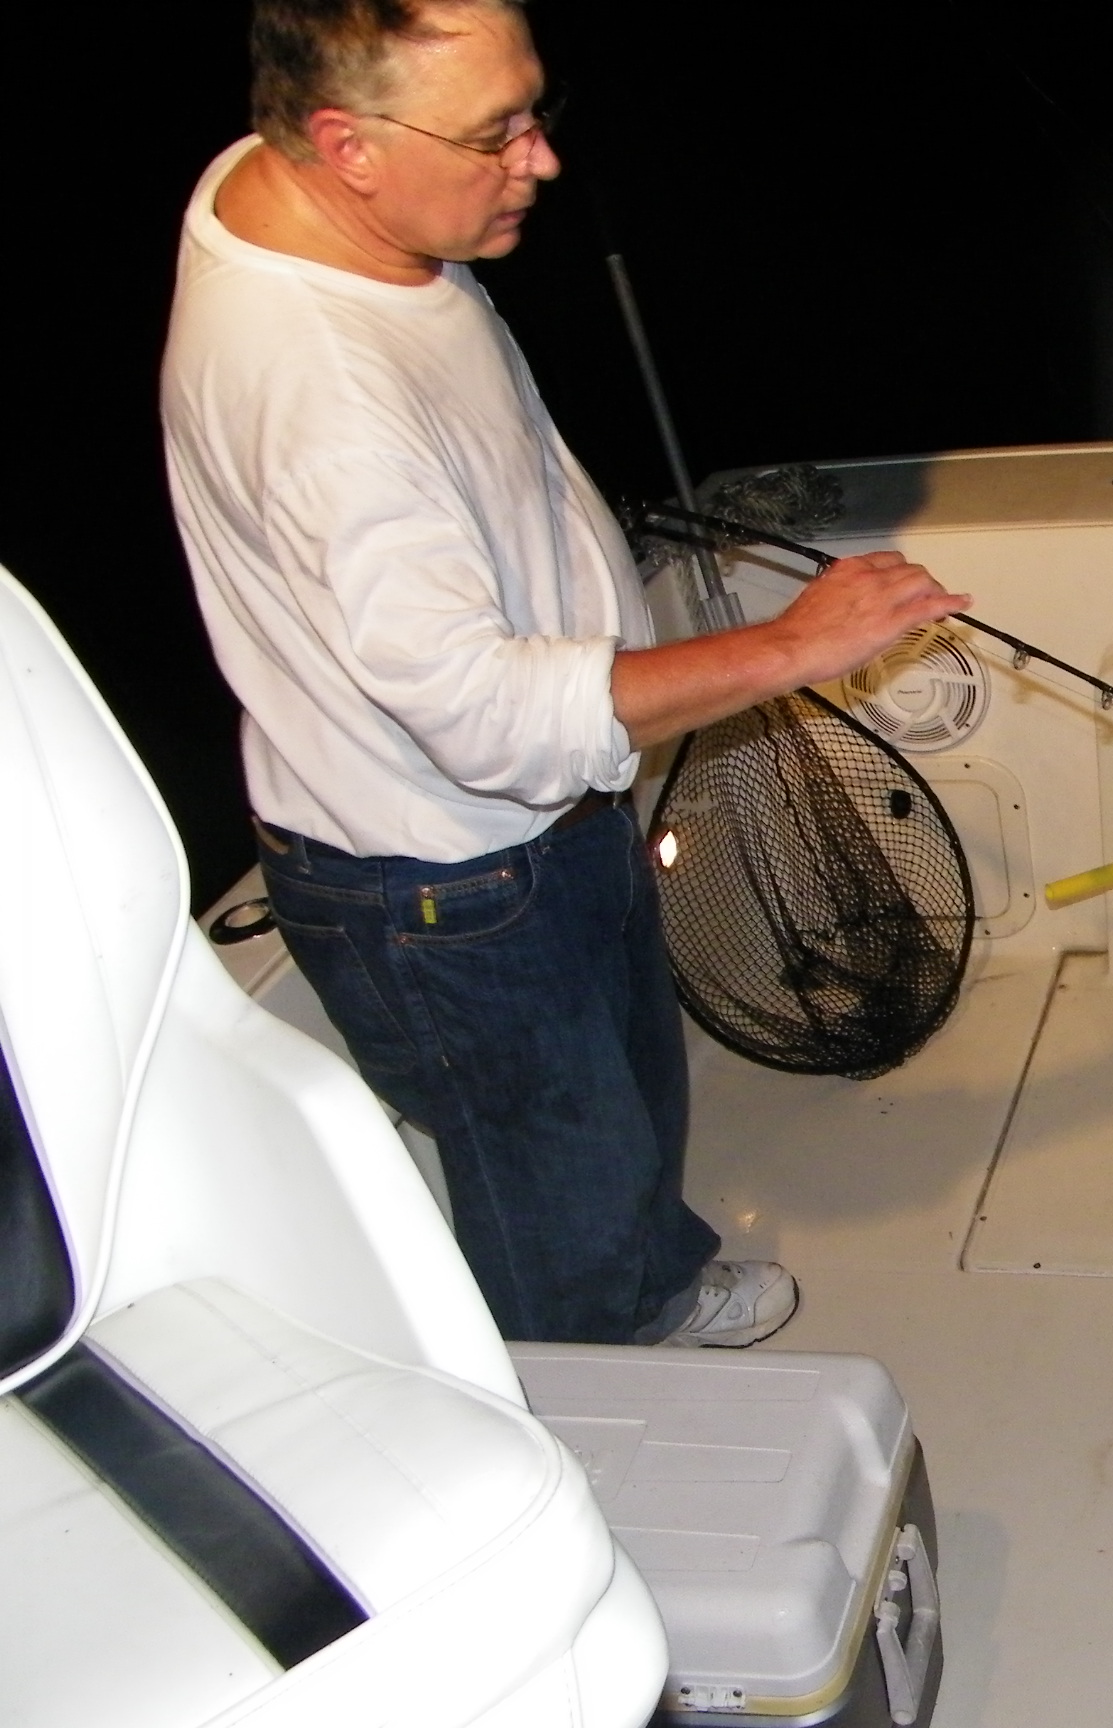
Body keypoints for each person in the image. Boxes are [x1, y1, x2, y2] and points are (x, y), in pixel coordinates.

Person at [161, 0, 967, 1345]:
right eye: (495, 135)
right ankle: (593, 1380)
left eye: (535, 109)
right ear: (347, 145)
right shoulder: (318, 394)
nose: (539, 160)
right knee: (557, 1186)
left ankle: (655, 1283)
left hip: (550, 819)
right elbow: (483, 718)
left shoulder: (307, 199)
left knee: (629, 1101)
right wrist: (794, 646)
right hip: (448, 884)